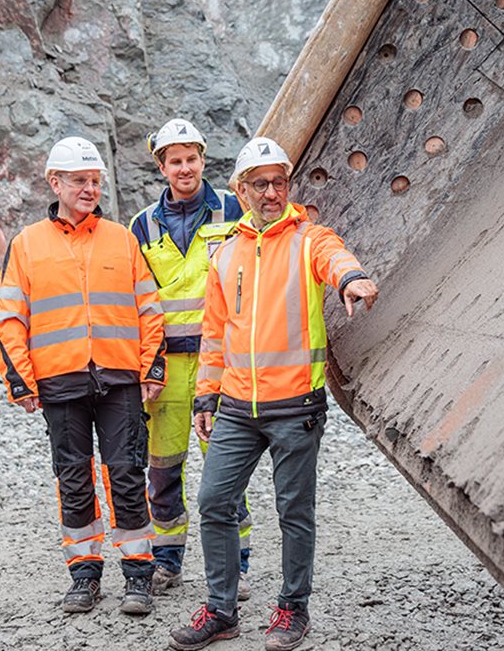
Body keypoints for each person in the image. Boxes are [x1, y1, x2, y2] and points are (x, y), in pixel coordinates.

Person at [169, 137, 379, 651]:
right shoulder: (226, 253)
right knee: (214, 501)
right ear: (241, 190)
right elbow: (214, 333)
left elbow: (335, 257)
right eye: (260, 183)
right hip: (237, 408)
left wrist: (351, 279)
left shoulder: (309, 239)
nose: (271, 192)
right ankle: (222, 610)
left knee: (294, 512)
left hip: (296, 409)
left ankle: (293, 610)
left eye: (279, 182)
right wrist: (205, 396)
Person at [0, 136, 167, 615]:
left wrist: (152, 365)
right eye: (80, 180)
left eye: (95, 181)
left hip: (121, 378)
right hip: (59, 381)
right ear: (56, 182)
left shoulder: (122, 239)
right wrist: (21, 380)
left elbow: (150, 310)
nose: (90, 189)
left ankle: (138, 575)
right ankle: (84, 575)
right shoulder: (27, 245)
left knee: (127, 473)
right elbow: (8, 318)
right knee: (73, 478)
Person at [129, 118, 256, 598]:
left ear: (203, 159)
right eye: (175, 160)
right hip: (167, 370)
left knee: (225, 472)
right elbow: (137, 302)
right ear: (161, 166)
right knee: (162, 472)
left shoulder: (231, 207)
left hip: (219, 365)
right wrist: (147, 367)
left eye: (192, 158)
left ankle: (236, 566)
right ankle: (167, 562)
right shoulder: (141, 225)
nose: (185, 168)